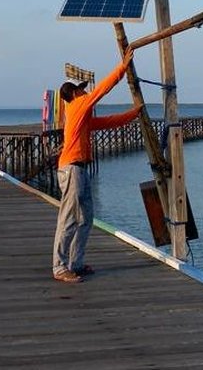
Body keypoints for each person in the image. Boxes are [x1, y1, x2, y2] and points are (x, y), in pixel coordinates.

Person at [52, 46, 140, 283]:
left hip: (79, 169)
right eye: (81, 90)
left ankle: (76, 263)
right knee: (69, 218)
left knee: (86, 218)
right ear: (74, 94)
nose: (85, 92)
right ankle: (60, 268)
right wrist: (123, 67)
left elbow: (108, 122)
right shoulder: (76, 106)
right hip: (71, 169)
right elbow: (102, 89)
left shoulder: (82, 117)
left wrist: (134, 114)